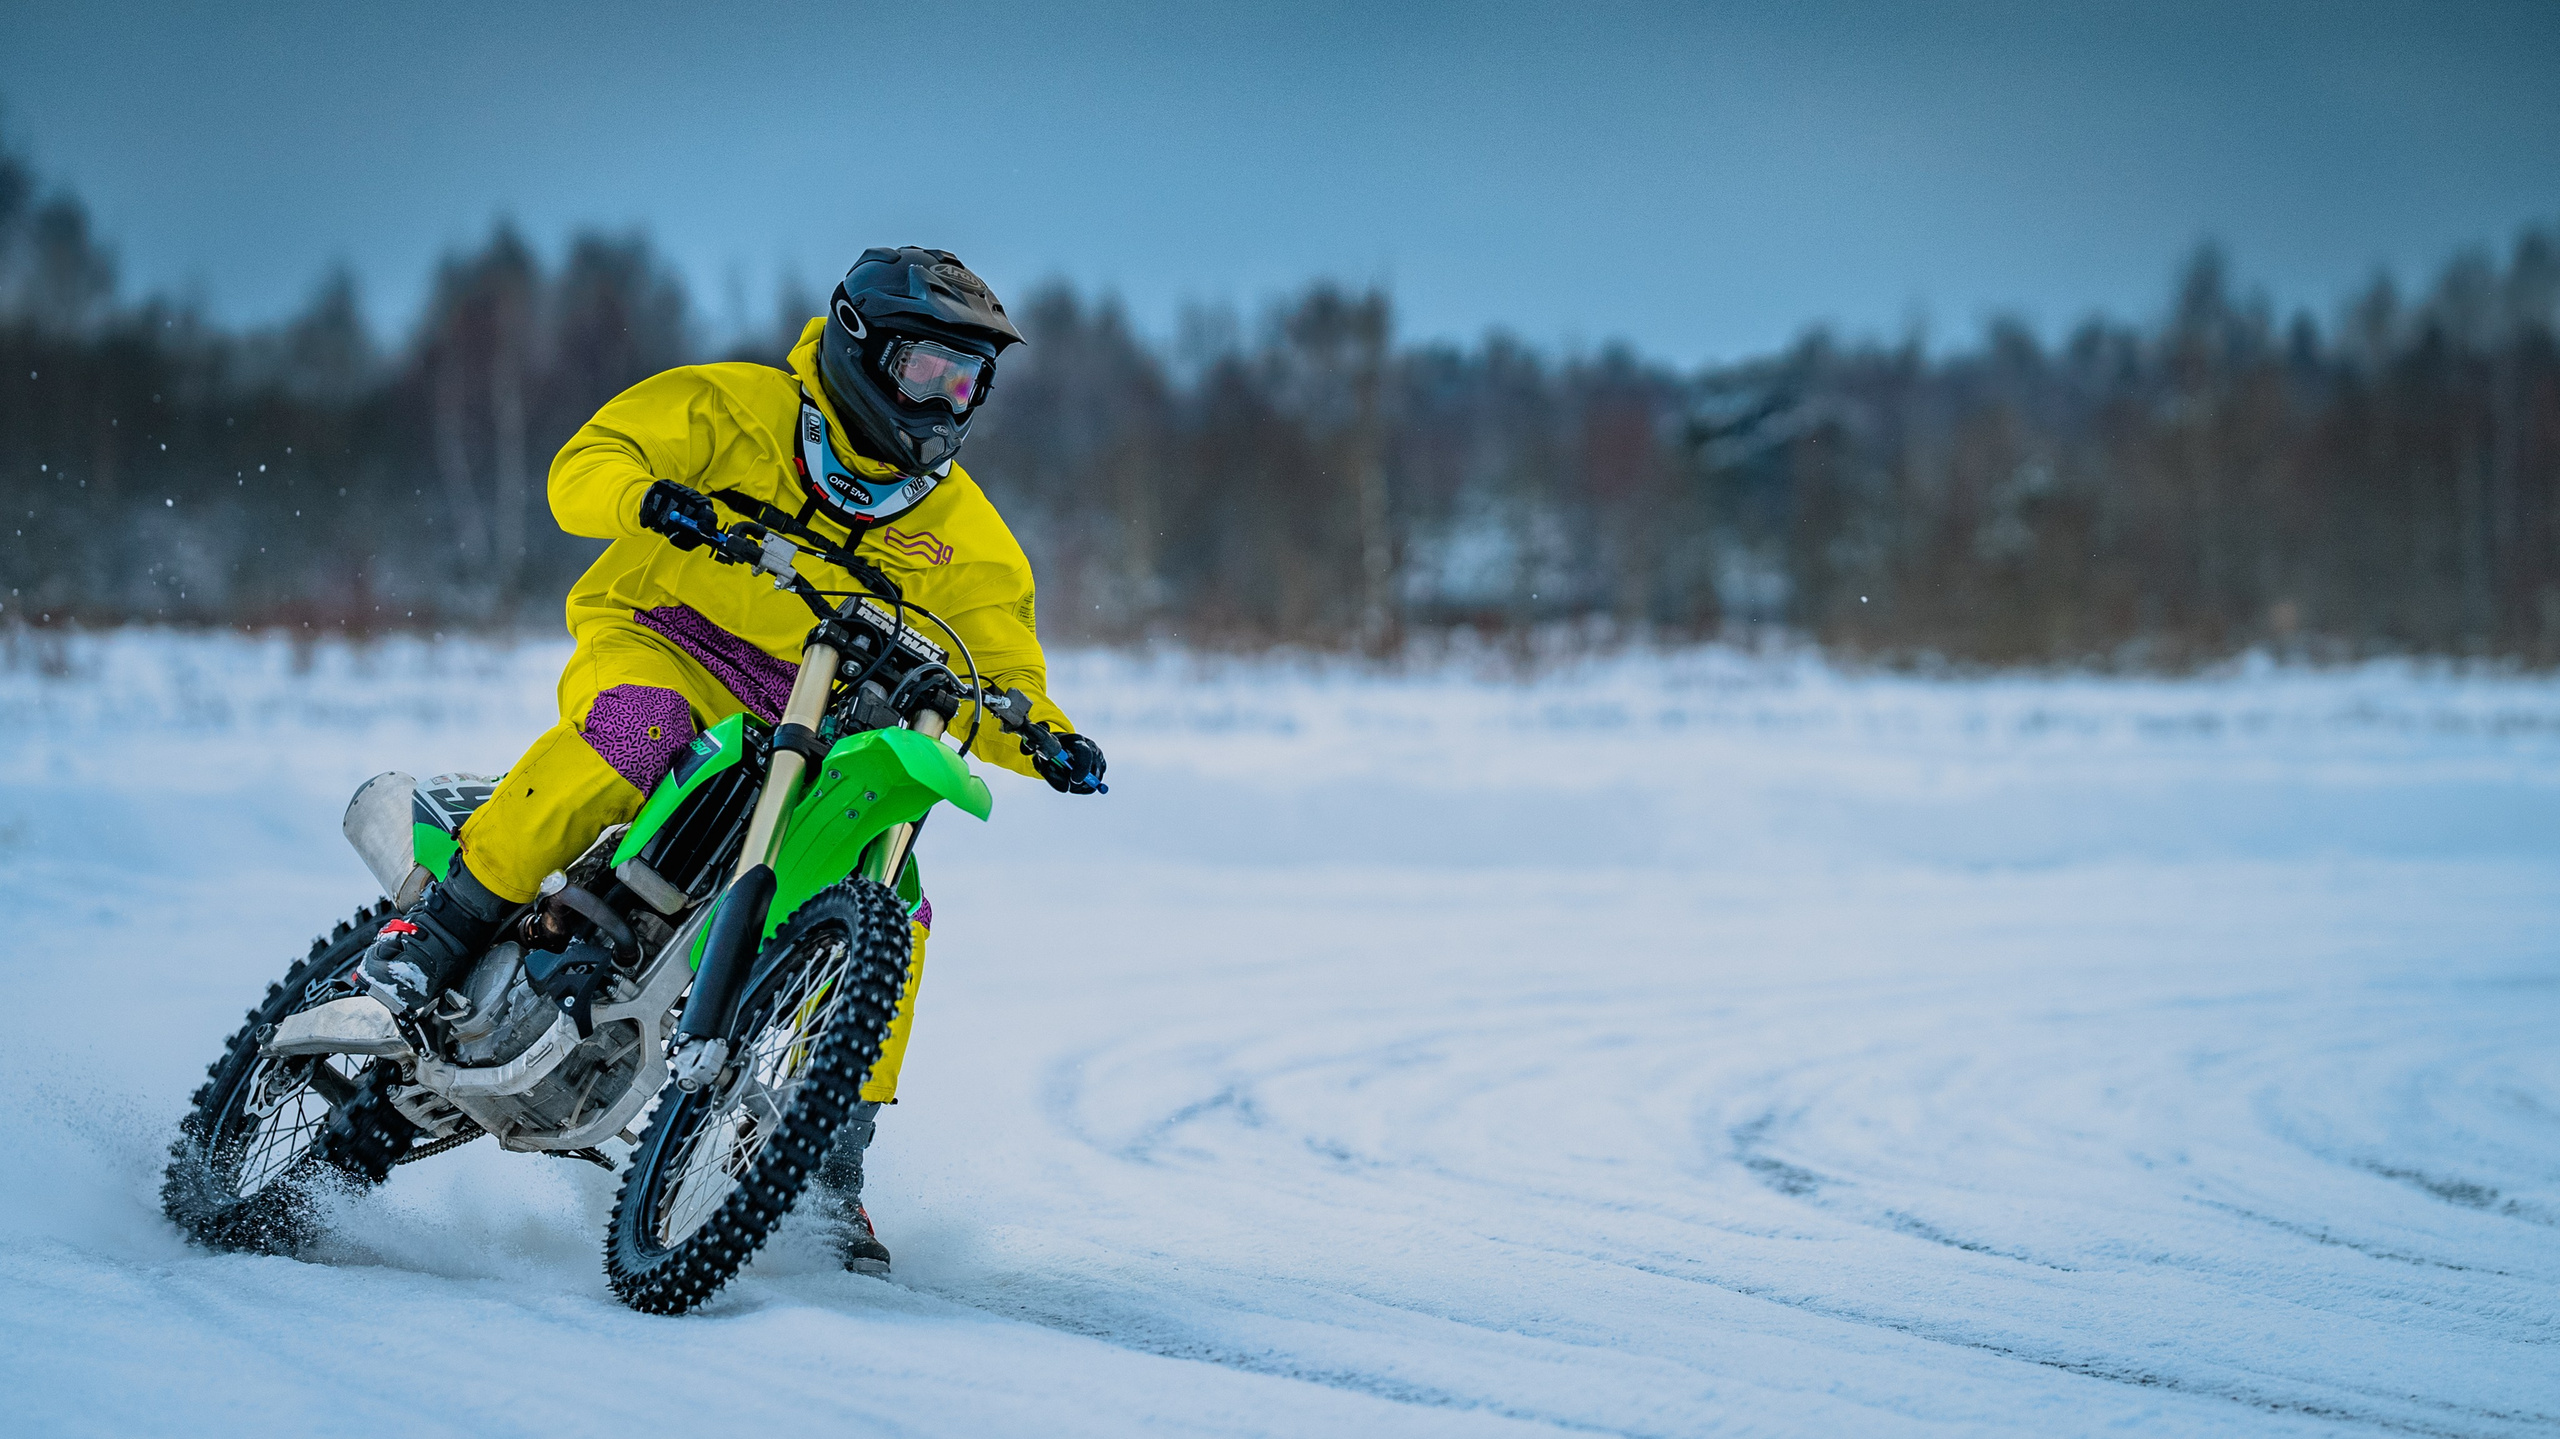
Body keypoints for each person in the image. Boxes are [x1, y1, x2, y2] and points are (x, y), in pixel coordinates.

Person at [355, 247, 1104, 1273]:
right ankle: (432, 939)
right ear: (857, 344)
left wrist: (1049, 738)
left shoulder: (965, 536)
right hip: (664, 638)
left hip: (816, 715)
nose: (943, 395)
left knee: (897, 888)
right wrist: (649, 500)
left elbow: (1002, 678)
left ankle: (829, 1157)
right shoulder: (733, 409)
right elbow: (587, 465)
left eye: (966, 377)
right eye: (925, 367)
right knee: (641, 733)